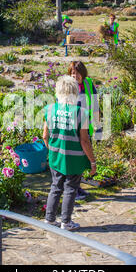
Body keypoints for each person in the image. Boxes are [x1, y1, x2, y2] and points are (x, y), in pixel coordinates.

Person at [43, 75, 97, 231]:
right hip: (74, 158)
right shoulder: (81, 113)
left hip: (55, 156)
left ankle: (49, 219)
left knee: (55, 186)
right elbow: (85, 141)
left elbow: (45, 135)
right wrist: (92, 161)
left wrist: (52, 149)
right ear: (75, 92)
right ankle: (66, 222)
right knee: (71, 188)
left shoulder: (50, 109)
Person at [68, 61, 102, 200]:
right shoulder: (67, 86)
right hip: (72, 125)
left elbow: (94, 104)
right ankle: (73, 190)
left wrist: (98, 126)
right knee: (74, 157)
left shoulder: (88, 83)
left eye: (77, 73)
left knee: (83, 156)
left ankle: (78, 187)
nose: (74, 76)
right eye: (72, 73)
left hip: (85, 124)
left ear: (83, 73)